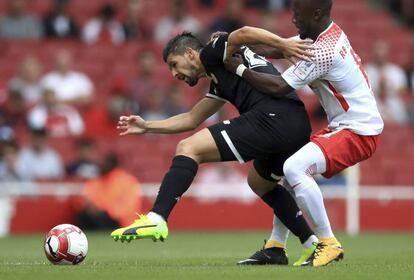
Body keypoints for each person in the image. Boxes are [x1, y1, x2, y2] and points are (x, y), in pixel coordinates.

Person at [110, 31, 327, 266]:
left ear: (190, 53)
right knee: (259, 182)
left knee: (189, 147)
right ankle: (309, 245)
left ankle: (156, 217)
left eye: (174, 64)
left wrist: (284, 44)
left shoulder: (213, 51)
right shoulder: (219, 74)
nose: (174, 74)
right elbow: (192, 118)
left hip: (273, 119)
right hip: (294, 123)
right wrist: (147, 126)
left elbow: (243, 33)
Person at [221, 0, 384, 267]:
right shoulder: (323, 34)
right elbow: (280, 48)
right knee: (290, 172)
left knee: (295, 167)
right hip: (348, 126)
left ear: (317, 13)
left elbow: (278, 87)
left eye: (298, 13)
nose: (293, 18)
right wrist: (235, 44)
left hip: (358, 131)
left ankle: (329, 243)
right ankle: (276, 246)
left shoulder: (323, 51)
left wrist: (238, 68)